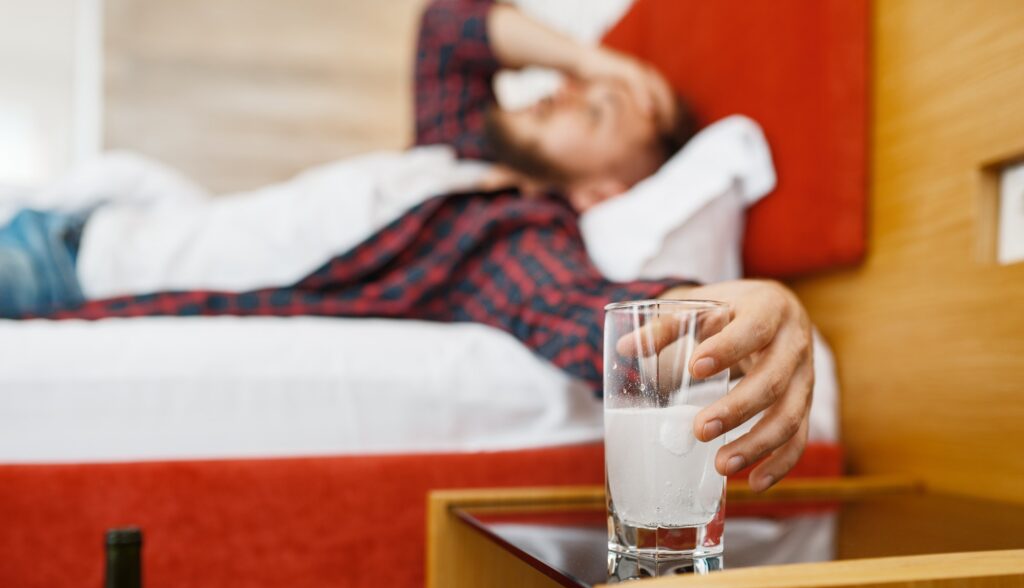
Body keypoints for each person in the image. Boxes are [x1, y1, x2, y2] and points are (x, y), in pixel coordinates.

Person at [0, 0, 813, 491]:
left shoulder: (507, 233)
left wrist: (728, 308)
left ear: (606, 192)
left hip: (61, 275)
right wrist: (592, 58)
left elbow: (577, 315)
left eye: (593, 115)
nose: (562, 95)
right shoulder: (464, 153)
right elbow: (448, 30)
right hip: (78, 216)